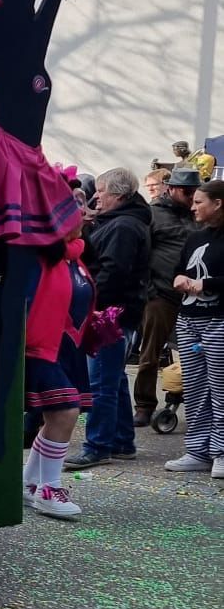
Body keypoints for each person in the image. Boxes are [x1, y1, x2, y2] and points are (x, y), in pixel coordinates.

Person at [70, 166, 149, 467]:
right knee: (113, 379)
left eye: (101, 192)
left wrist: (90, 301)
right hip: (118, 310)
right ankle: (121, 440)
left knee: (102, 381)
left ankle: (98, 445)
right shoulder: (120, 222)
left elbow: (113, 271)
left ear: (118, 195)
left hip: (110, 313)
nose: (97, 197)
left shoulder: (123, 226)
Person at [21, 237, 95, 519]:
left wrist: (93, 321)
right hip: (40, 347)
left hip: (68, 347)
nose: (84, 215)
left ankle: (28, 483)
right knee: (65, 413)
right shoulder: (38, 253)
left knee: (56, 417)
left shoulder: (74, 253)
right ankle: (49, 491)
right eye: (75, 214)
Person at [163, 178, 224, 478]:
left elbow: (210, 279)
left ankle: (221, 452)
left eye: (199, 202)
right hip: (189, 320)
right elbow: (180, 268)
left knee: (220, 388)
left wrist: (207, 284)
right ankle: (198, 450)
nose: (193, 207)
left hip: (218, 320)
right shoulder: (195, 238)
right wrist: (178, 278)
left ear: (218, 204)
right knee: (196, 387)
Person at [133, 165, 198, 427]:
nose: (191, 196)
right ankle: (144, 405)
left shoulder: (196, 213)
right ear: (171, 189)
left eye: (194, 191)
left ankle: (188, 401)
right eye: (186, 191)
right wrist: (149, 289)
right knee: (150, 352)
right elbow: (141, 254)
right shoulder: (154, 214)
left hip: (194, 294)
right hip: (160, 293)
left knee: (194, 352)